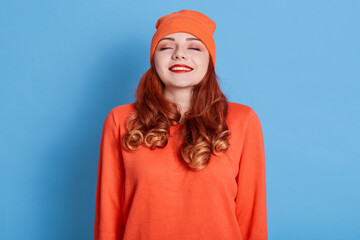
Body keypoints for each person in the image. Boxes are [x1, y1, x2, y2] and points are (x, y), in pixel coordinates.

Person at [94, 9, 268, 240]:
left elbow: (252, 219)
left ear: (210, 60)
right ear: (154, 59)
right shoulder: (121, 121)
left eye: (194, 47)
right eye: (166, 47)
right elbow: (109, 218)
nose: (179, 55)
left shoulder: (243, 120)